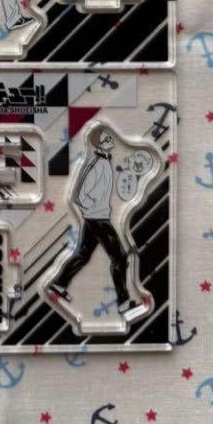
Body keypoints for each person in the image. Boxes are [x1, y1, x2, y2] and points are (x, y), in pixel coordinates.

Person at [46, 126, 143, 317]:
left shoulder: (104, 162)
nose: (111, 141)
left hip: (95, 218)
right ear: (99, 144)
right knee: (119, 258)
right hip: (98, 219)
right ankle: (124, 303)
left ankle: (59, 283)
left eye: (109, 138)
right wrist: (94, 208)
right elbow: (80, 196)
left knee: (83, 255)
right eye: (107, 139)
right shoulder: (97, 164)